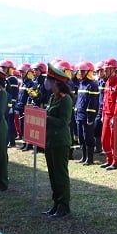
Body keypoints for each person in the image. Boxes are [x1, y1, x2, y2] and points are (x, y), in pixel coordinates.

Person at [43, 63, 74, 218]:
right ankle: (56, 203)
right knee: (52, 174)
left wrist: (45, 117)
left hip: (61, 141)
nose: (46, 82)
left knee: (61, 174)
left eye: (49, 79)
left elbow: (63, 121)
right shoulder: (52, 97)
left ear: (56, 82)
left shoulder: (65, 99)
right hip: (49, 141)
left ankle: (64, 205)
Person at [100, 58, 117, 170]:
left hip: (114, 116)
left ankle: (116, 162)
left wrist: (115, 118)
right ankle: (109, 159)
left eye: (107, 69)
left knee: (114, 140)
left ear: (113, 70)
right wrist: (102, 115)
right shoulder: (107, 83)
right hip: (106, 115)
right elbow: (105, 101)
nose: (104, 71)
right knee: (104, 139)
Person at [74, 61, 100, 166]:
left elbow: (93, 103)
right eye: (80, 70)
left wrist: (90, 118)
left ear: (88, 72)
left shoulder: (92, 85)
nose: (81, 72)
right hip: (79, 115)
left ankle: (90, 159)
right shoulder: (81, 84)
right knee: (81, 137)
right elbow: (79, 100)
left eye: (83, 71)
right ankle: (84, 157)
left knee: (88, 137)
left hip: (87, 117)